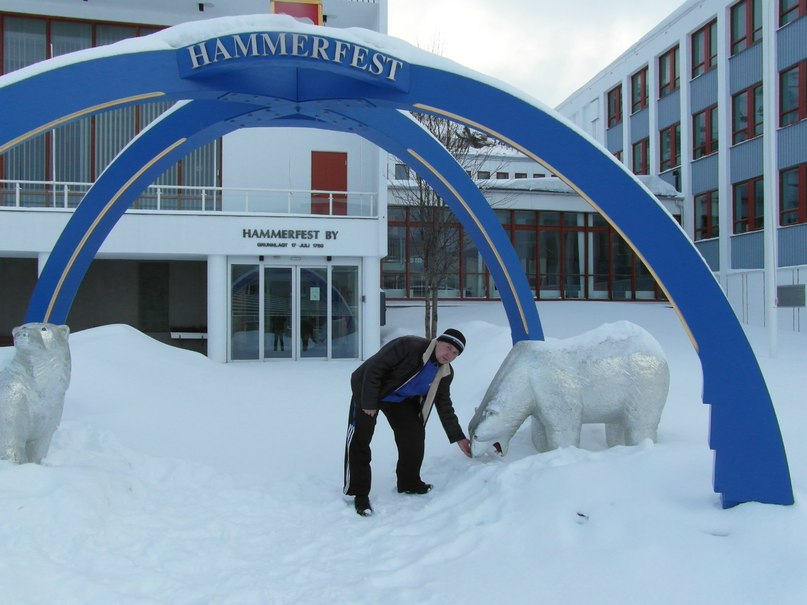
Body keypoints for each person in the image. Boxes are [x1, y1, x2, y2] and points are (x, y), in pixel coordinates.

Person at [343, 328, 472, 516]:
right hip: (368, 389)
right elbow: (374, 369)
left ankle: (409, 482)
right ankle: (360, 493)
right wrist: (369, 402)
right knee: (361, 439)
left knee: (414, 435)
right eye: (448, 347)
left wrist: (458, 437)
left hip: (398, 399)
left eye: (455, 353)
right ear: (438, 342)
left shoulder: (445, 373)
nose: (449, 355)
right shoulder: (408, 346)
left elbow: (444, 405)